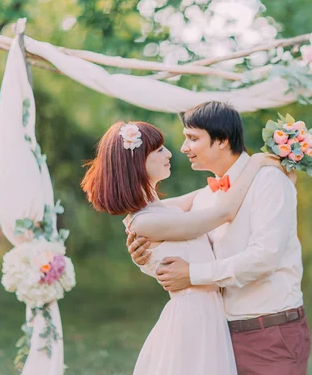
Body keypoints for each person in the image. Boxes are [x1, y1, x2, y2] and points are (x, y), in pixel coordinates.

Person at [81, 120, 283, 375]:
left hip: (206, 313)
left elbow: (207, 193)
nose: (169, 154)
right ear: (138, 162)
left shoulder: (157, 210)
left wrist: (236, 172)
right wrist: (255, 163)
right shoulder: (147, 221)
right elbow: (224, 212)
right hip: (193, 318)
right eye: (159, 150)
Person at [128, 101, 312, 375]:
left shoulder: (269, 181)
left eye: (192, 138)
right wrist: (141, 248)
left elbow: (263, 258)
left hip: (270, 332)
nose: (183, 148)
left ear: (223, 140)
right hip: (220, 337)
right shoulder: (205, 198)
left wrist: (192, 274)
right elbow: (149, 216)